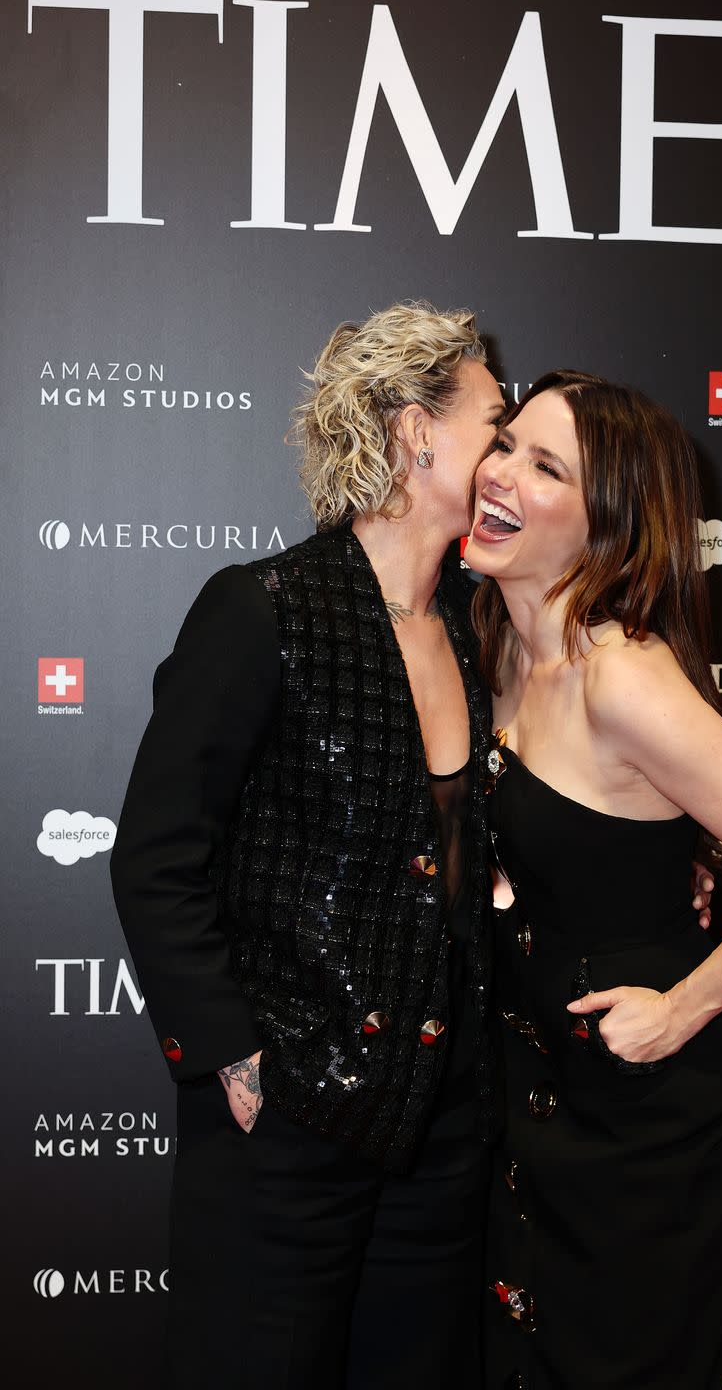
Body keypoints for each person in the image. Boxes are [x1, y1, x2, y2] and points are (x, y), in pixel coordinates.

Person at [111, 302, 507, 1389]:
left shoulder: (484, 629)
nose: (507, 454)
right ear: (414, 431)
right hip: (286, 1121)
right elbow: (156, 852)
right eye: (493, 423)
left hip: (441, 1131)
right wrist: (229, 1054)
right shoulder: (265, 609)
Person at [464, 370, 722, 1390]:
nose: (498, 473)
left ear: (608, 524)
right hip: (530, 1088)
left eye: (544, 466)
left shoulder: (622, 677)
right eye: (505, 442)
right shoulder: (498, 642)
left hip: (640, 1118)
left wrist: (684, 1009)